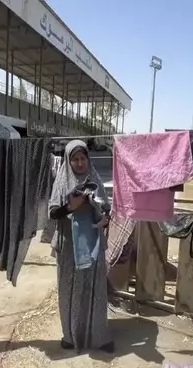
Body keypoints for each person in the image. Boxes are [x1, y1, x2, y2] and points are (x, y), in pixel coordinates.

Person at [48, 140, 114, 353]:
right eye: (74, 159)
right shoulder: (62, 181)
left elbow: (106, 208)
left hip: (92, 241)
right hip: (68, 245)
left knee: (94, 288)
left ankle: (99, 337)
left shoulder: (94, 178)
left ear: (88, 158)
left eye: (82, 158)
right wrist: (70, 206)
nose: (79, 163)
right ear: (68, 160)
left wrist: (105, 216)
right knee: (69, 290)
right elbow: (52, 211)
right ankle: (70, 335)